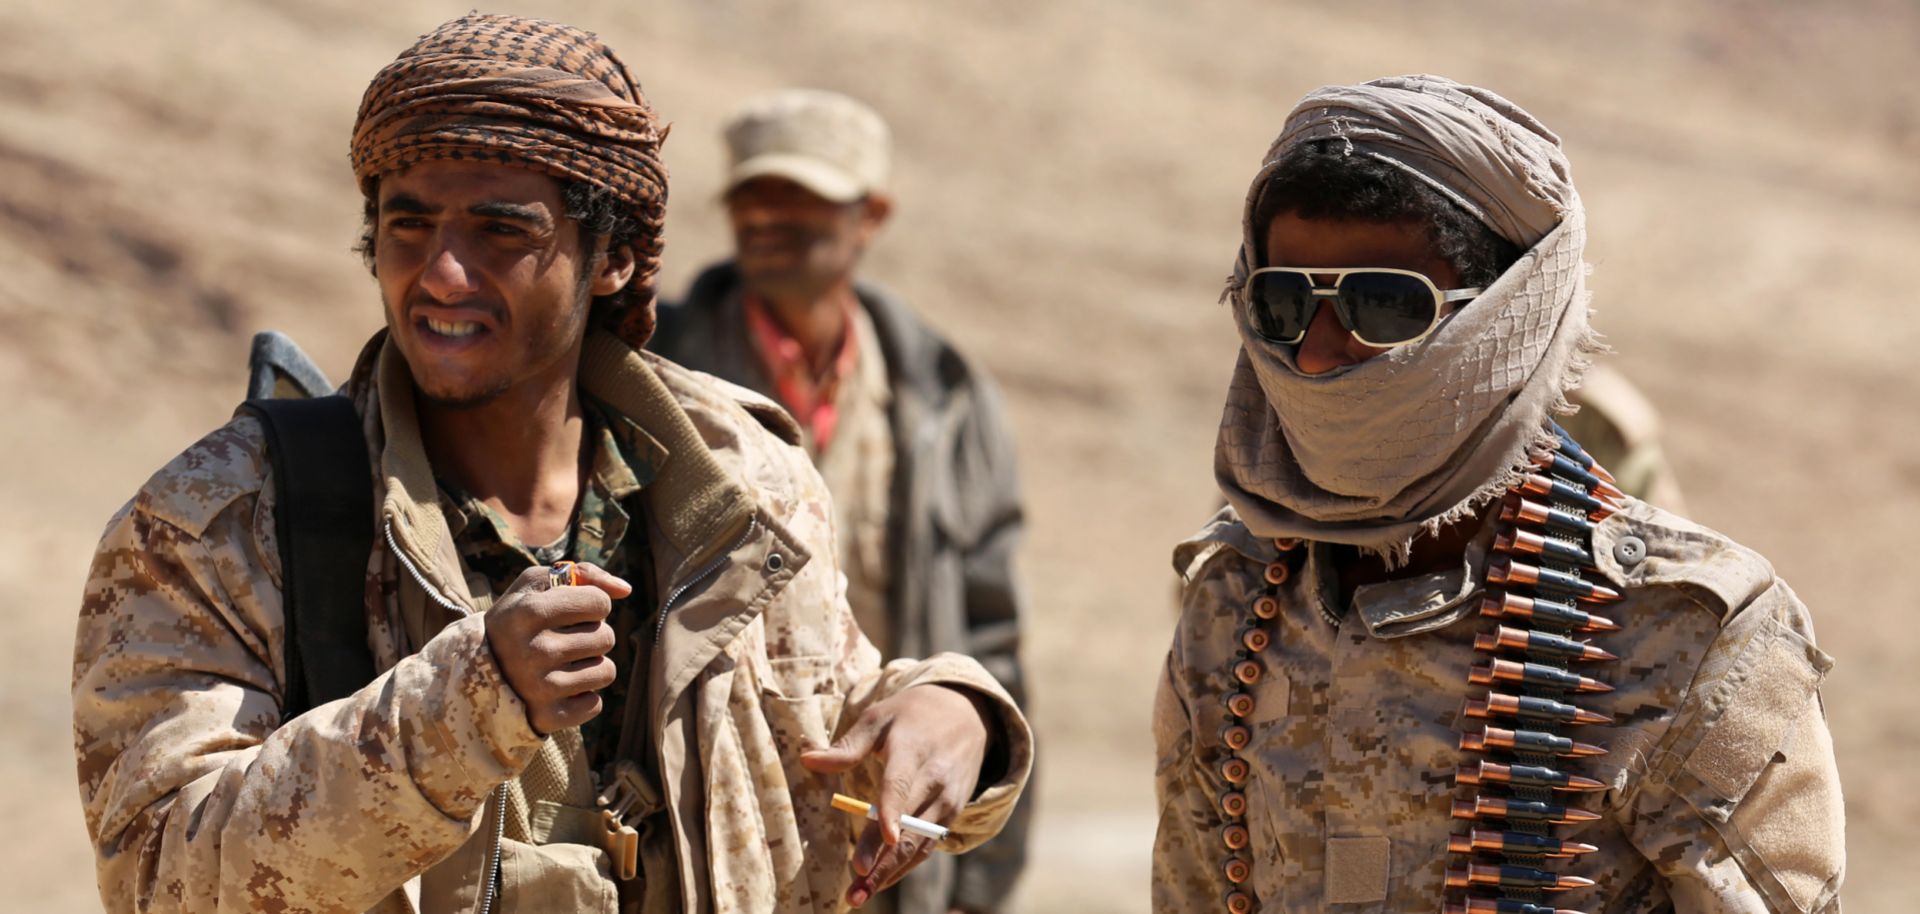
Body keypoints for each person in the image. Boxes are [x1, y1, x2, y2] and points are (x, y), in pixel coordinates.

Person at [72, 14, 1031, 914]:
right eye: (408, 225)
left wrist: (954, 711)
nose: (443, 273)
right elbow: (160, 868)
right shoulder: (221, 520)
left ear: (610, 256)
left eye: (501, 230)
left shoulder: (743, 481)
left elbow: (825, 717)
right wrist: (472, 699)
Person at [1152, 75, 1842, 914]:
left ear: (1503, 317)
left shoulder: (1692, 631)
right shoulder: (1234, 599)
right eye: (1284, 302)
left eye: (1382, 304)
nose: (1318, 356)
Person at [651, 89, 1031, 914]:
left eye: (800, 196)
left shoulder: (947, 400)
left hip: (891, 835)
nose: (767, 216)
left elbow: (990, 633)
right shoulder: (654, 377)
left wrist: (978, 872)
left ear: (872, 215)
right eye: (751, 195)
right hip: (708, 829)